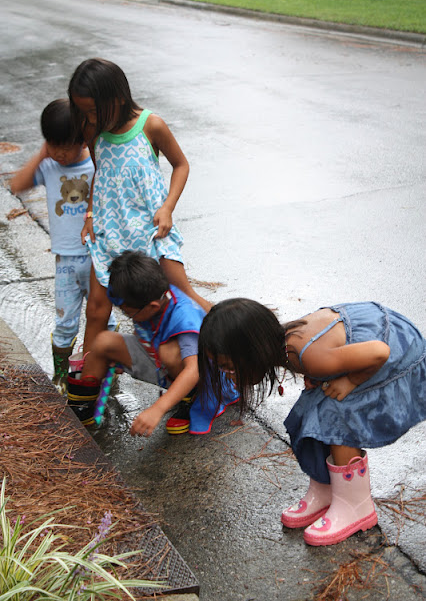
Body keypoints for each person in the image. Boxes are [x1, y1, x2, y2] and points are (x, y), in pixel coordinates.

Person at [197, 299, 426, 546]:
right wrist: (318, 375)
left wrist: (350, 381)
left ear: (253, 350)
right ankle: (326, 489)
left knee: (335, 413)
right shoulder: (286, 347)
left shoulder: (308, 354)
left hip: (399, 350)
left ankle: (356, 505)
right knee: (311, 407)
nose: (228, 375)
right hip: (368, 348)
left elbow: (378, 352)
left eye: (229, 367)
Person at [67, 58, 211, 357]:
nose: (89, 118)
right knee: (96, 308)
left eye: (94, 111)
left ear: (118, 98)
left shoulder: (151, 125)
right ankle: (89, 372)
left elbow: (181, 165)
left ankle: (229, 347)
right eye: (84, 112)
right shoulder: (93, 130)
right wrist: (90, 215)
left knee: (184, 296)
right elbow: (101, 174)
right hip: (109, 232)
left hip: (151, 229)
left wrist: (167, 208)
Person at [9, 99, 117, 393]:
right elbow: (17, 185)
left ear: (82, 139)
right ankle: (61, 376)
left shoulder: (95, 164)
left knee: (103, 318)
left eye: (65, 147)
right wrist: (42, 153)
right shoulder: (49, 165)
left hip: (96, 257)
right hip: (65, 261)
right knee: (65, 322)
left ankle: (105, 366)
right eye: (52, 145)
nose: (59, 153)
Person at [67, 250, 238, 433]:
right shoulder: (154, 297)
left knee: (169, 352)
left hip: (203, 378)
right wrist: (118, 357)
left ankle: (192, 397)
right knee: (103, 342)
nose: (127, 315)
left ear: (152, 306)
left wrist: (158, 409)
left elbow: (193, 369)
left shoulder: (184, 318)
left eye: (128, 312)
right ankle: (83, 409)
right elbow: (142, 334)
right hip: (159, 360)